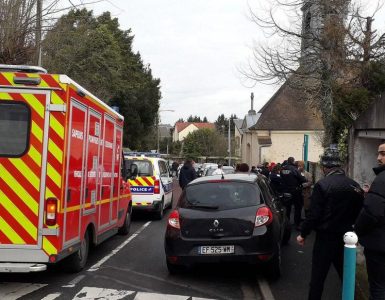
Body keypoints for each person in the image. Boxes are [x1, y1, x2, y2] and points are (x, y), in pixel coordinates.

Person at [296, 146, 364, 300]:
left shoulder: (322, 185)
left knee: (318, 278)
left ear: (324, 167)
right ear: (340, 165)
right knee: (346, 275)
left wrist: (303, 234)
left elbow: (314, 215)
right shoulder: (354, 185)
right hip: (346, 238)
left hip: (325, 239)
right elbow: (360, 212)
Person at [355, 142, 385, 299]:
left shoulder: (381, 180)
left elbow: (372, 212)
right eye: (378, 153)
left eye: (383, 154)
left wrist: (357, 232)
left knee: (378, 287)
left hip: (379, 246)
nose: (379, 158)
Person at [280, 156, 306, 229]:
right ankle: (297, 224)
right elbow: (302, 179)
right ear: (293, 161)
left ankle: (286, 224)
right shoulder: (294, 169)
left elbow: (281, 178)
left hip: (285, 191)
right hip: (295, 191)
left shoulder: (282, 169)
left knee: (287, 208)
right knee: (298, 207)